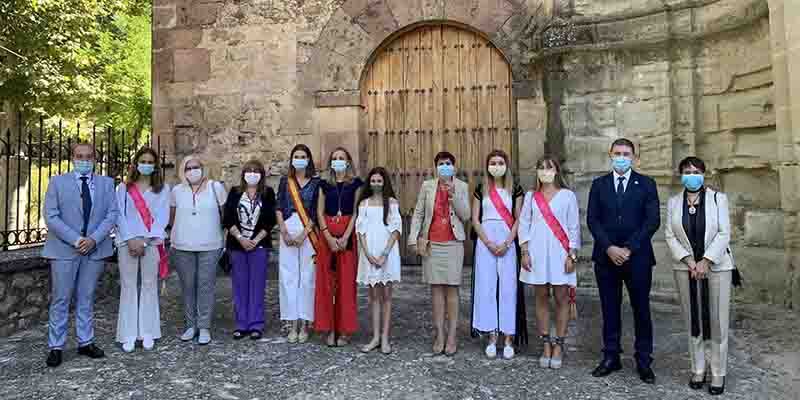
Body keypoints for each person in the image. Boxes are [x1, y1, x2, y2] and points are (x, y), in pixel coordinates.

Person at [587, 138, 660, 384]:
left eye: (626, 153)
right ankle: (611, 356)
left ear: (634, 157)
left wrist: (629, 248)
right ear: (610, 154)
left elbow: (652, 221)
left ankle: (643, 360)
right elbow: (593, 220)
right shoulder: (599, 185)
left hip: (637, 258)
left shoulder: (647, 184)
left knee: (641, 309)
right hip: (606, 258)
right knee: (609, 309)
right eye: (617, 153)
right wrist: (609, 247)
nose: (621, 157)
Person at [42, 143, 119, 367]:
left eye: (88, 156)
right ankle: (56, 346)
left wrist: (93, 238)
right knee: (61, 299)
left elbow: (112, 214)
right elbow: (51, 216)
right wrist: (76, 240)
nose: (84, 160)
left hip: (95, 248)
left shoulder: (106, 183)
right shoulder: (57, 182)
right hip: (65, 249)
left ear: (95, 158)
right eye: (79, 156)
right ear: (72, 158)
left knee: (86, 297)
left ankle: (86, 341)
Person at [665, 156, 737, 395]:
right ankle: (697, 368)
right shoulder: (674, 202)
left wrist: (705, 261)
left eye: (696, 171)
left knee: (717, 321)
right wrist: (689, 261)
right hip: (685, 268)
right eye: (687, 171)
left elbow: (724, 232)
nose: (691, 174)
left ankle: (718, 372)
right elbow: (669, 235)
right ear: (681, 175)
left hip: (716, 267)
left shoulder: (719, 199)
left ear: (704, 174)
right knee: (692, 320)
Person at [518, 156, 581, 369]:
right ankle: (546, 342)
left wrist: (572, 255)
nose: (545, 171)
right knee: (541, 297)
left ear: (556, 171)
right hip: (536, 253)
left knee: (562, 298)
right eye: (541, 168)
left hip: (560, 254)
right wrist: (524, 252)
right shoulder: (531, 197)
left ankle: (559, 344)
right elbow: (524, 224)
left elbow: (573, 227)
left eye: (549, 167)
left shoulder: (567, 196)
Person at [408, 151, 470, 356]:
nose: (445, 166)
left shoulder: (461, 186)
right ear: (436, 167)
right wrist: (413, 238)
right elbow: (418, 213)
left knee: (452, 291)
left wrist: (453, 195)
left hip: (453, 243)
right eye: (441, 164)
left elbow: (466, 215)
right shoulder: (427, 186)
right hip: (432, 244)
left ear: (454, 166)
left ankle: (452, 335)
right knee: (436, 291)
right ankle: (440, 335)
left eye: (448, 163)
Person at [470, 150, 526, 360]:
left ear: (506, 165)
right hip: (486, 241)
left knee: (508, 288)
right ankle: (492, 335)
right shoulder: (480, 188)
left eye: (500, 162)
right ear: (487, 165)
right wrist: (488, 243)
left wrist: (507, 243)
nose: (496, 165)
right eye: (493, 162)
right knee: (487, 286)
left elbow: (519, 219)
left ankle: (509, 337)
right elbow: (475, 219)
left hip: (508, 241)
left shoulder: (515, 189)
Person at [115, 147, 170, 352]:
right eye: (142, 161)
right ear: (136, 163)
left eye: (150, 162)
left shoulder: (163, 189)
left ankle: (147, 331)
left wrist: (145, 241)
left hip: (151, 242)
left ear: (155, 166)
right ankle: (128, 334)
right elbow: (118, 215)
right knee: (128, 286)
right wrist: (130, 240)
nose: (146, 165)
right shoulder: (123, 188)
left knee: (149, 285)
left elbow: (163, 218)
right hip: (126, 242)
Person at [170, 155, 227, 345]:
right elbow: (172, 217)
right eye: (188, 168)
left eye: (196, 167)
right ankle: (190, 325)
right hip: (182, 245)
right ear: (182, 171)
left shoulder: (215, 187)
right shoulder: (177, 190)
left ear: (203, 168)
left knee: (205, 285)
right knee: (188, 286)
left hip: (210, 244)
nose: (193, 171)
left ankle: (204, 327)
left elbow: (225, 214)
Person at [222, 160, 277, 340]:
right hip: (237, 245)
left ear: (261, 174)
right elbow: (228, 218)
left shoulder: (267, 193)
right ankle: (241, 324)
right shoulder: (235, 192)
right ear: (243, 173)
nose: (252, 173)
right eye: (249, 170)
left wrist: (255, 240)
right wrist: (240, 238)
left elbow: (270, 220)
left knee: (257, 285)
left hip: (259, 245)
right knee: (240, 285)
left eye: (256, 171)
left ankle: (256, 324)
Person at [315, 147, 363, 347]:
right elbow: (319, 212)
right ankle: (329, 328)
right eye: (334, 158)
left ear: (348, 161)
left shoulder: (357, 184)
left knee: (346, 285)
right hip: (327, 240)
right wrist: (328, 237)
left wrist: (344, 237)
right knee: (327, 284)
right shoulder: (323, 184)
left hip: (346, 239)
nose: (338, 161)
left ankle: (344, 329)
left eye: (341, 158)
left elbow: (355, 212)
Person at [276, 144, 324, 344]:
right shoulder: (284, 182)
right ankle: (292, 321)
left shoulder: (316, 183)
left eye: (303, 156)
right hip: (288, 228)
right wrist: (284, 231)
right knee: (288, 277)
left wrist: (305, 233)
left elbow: (315, 211)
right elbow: (278, 207)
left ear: (309, 159)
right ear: (292, 159)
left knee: (307, 277)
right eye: (296, 156)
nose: (300, 159)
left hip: (308, 232)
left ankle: (305, 322)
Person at [356, 167, 402, 354]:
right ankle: (375, 336)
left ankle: (385, 337)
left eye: (379, 181)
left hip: (387, 253)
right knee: (373, 297)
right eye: (373, 181)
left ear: (385, 182)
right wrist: (367, 254)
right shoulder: (364, 204)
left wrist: (384, 253)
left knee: (387, 296)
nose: (376, 184)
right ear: (369, 183)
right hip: (370, 254)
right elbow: (361, 230)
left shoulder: (391, 203)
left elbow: (396, 229)